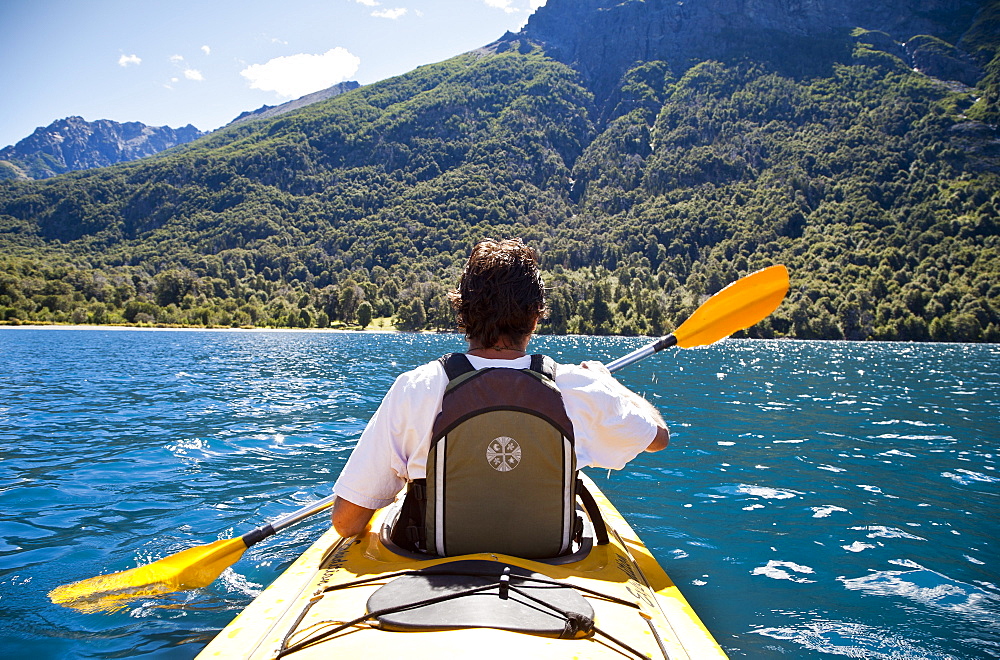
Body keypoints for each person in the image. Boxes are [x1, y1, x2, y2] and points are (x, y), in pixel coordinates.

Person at [331, 238, 668, 551]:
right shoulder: (580, 387)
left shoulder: (414, 388)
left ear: (462, 315)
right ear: (535, 319)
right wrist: (607, 383)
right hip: (549, 577)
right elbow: (658, 439)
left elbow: (347, 522)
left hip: (434, 570)